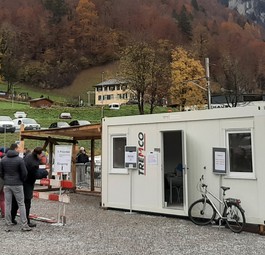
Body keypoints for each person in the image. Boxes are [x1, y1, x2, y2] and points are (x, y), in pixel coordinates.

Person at [11, 147, 48, 228]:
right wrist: (45, 173)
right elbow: (36, 175)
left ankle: (11, 218)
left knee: (16, 201)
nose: (42, 156)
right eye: (41, 154)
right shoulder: (33, 162)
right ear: (38, 154)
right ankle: (26, 221)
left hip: (19, 181)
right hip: (27, 183)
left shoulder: (28, 156)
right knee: (27, 202)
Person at [0, 143, 32, 232]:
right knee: (21, 204)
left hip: (7, 184)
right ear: (15, 149)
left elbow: (1, 172)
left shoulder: (3, 159)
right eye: (18, 148)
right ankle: (24, 225)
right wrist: (21, 180)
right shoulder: (19, 160)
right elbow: (24, 173)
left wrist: (6, 179)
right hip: (18, 184)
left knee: (8, 204)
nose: (19, 149)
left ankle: (8, 226)